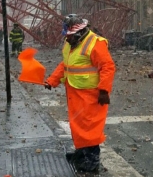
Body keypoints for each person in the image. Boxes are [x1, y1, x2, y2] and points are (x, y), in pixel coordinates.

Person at [44, 14, 115, 173]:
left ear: (78, 32)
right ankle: (82, 154)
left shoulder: (95, 43)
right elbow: (66, 64)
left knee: (90, 127)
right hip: (75, 92)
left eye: (69, 36)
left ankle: (91, 160)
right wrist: (52, 80)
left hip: (91, 94)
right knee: (78, 126)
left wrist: (104, 90)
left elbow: (107, 67)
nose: (66, 39)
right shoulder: (71, 42)